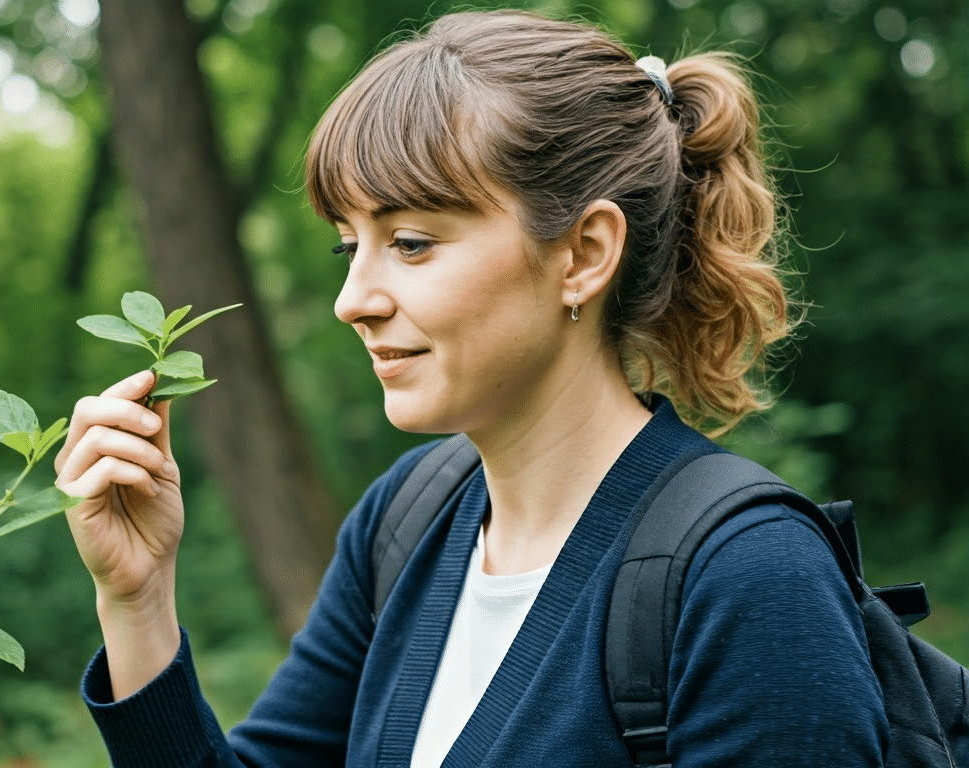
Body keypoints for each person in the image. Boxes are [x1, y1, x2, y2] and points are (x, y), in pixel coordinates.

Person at [54, 9, 889, 767]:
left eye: (412, 242)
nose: (354, 301)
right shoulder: (406, 519)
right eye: (351, 246)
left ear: (585, 254)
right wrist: (137, 601)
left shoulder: (751, 575)